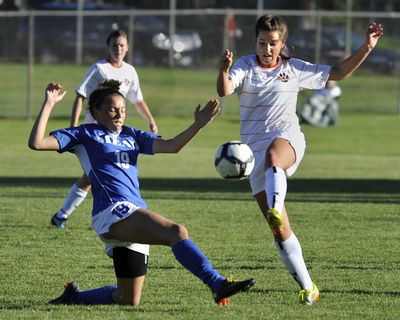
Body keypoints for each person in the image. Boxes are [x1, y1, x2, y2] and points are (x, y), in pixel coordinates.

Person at [28, 80, 255, 306]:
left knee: (127, 299)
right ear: (96, 111)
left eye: (123, 110)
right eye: (112, 110)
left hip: (134, 212)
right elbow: (37, 143)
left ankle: (74, 297)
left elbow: (172, 146)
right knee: (176, 232)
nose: (119, 115)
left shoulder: (132, 135)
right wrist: (49, 104)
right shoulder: (84, 134)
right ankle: (217, 283)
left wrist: (199, 125)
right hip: (112, 211)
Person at [217, 14, 383, 305]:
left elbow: (339, 72)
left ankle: (276, 205)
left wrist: (367, 47)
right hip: (252, 155)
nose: (266, 49)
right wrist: (224, 70)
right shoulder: (244, 65)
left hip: (287, 138)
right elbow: (225, 90)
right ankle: (309, 287)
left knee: (273, 158)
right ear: (254, 42)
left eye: (272, 44)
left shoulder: (293, 69)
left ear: (282, 44)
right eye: (261, 43)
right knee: (279, 231)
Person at [51, 29, 158, 230]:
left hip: (115, 134)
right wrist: (73, 129)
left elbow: (138, 99)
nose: (118, 49)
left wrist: (151, 120)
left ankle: (62, 215)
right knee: (93, 177)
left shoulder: (130, 71)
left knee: (91, 177)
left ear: (128, 47)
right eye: (115, 45)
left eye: (122, 45)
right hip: (93, 134)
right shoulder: (99, 69)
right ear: (108, 47)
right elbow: (80, 95)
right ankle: (73, 216)